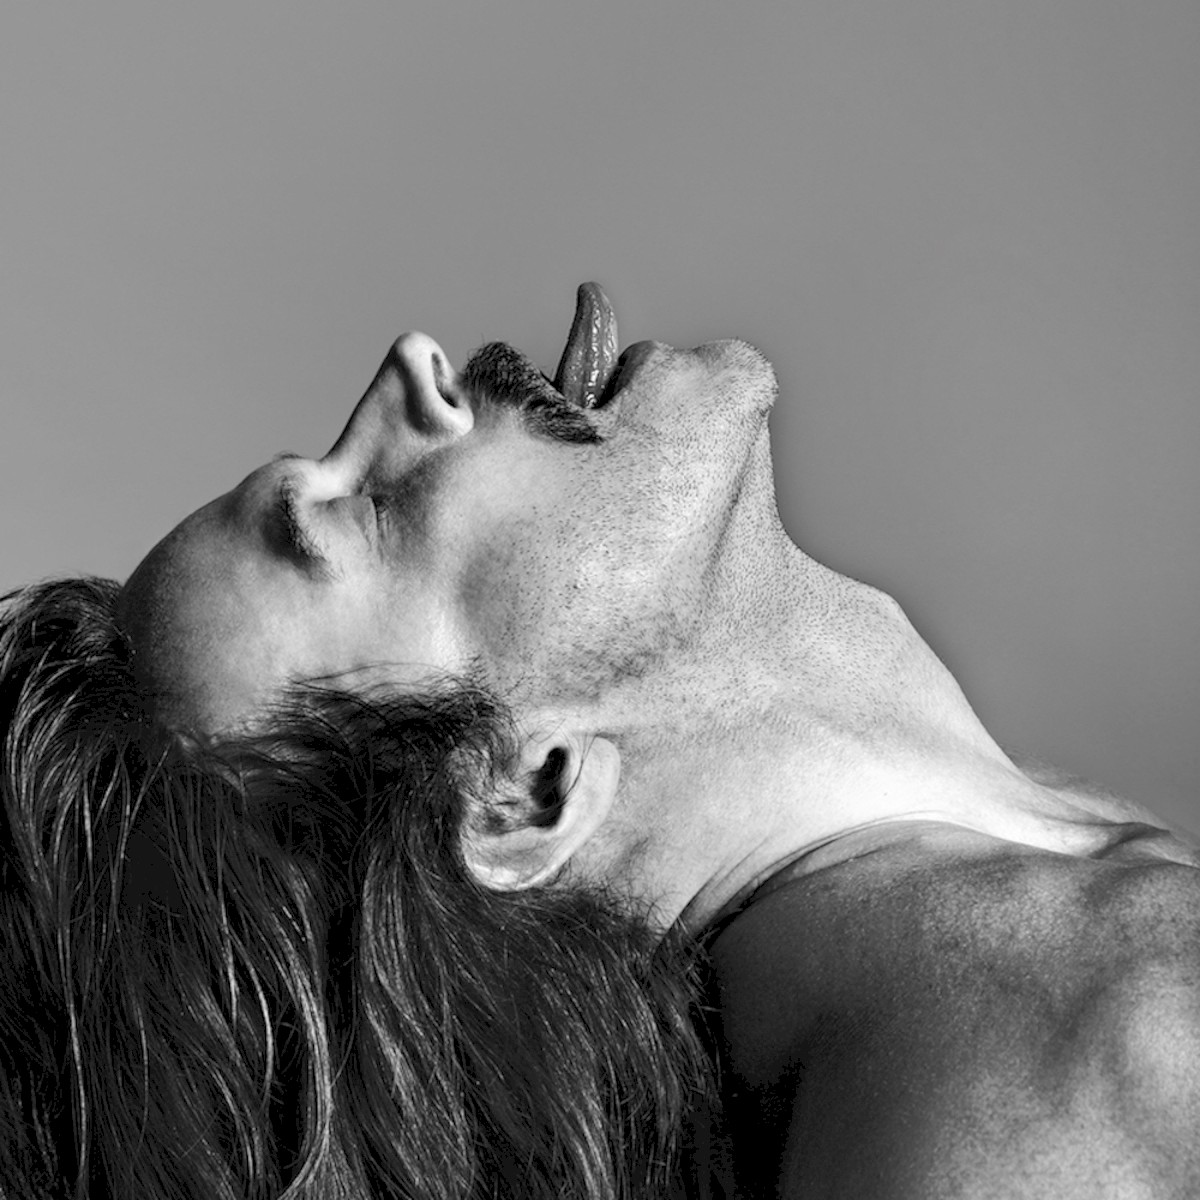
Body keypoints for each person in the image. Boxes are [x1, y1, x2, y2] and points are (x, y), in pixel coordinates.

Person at [3, 282, 1197, 1198]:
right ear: (522, 796)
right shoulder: (1051, 1090)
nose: (414, 370)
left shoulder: (1047, 971)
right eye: (372, 509)